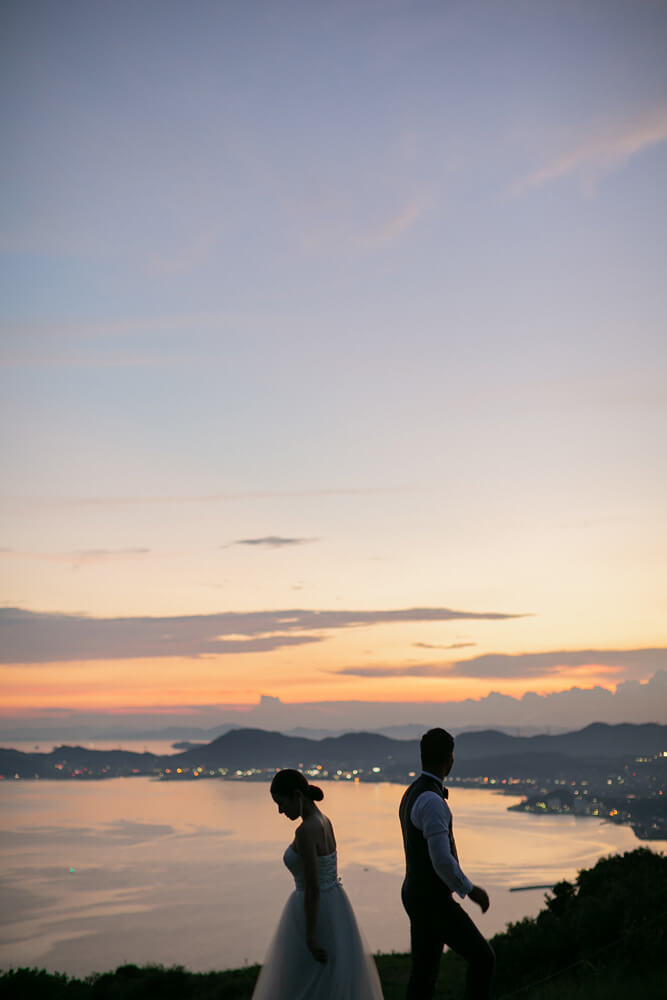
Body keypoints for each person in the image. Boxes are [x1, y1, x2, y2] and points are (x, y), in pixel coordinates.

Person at [251, 768, 384, 1000]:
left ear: (297, 796)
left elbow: (312, 886)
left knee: (304, 981)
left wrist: (310, 936)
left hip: (314, 911)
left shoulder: (305, 831)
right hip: (335, 904)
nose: (280, 811)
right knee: (326, 978)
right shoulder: (325, 821)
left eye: (281, 803)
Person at [399, 728, 495, 999]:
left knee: (424, 973)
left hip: (415, 893)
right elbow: (441, 859)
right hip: (432, 901)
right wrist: (471, 890)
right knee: (483, 958)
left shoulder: (412, 792)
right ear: (449, 759)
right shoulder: (432, 800)